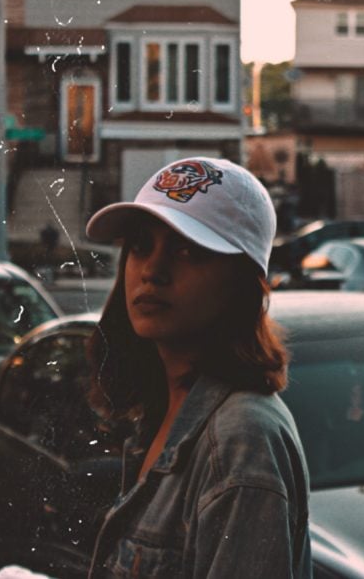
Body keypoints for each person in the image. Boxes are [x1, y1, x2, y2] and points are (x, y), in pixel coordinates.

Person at [83, 157, 310, 578]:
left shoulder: (241, 439)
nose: (152, 271)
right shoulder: (165, 411)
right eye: (140, 246)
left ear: (242, 282)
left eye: (187, 250)